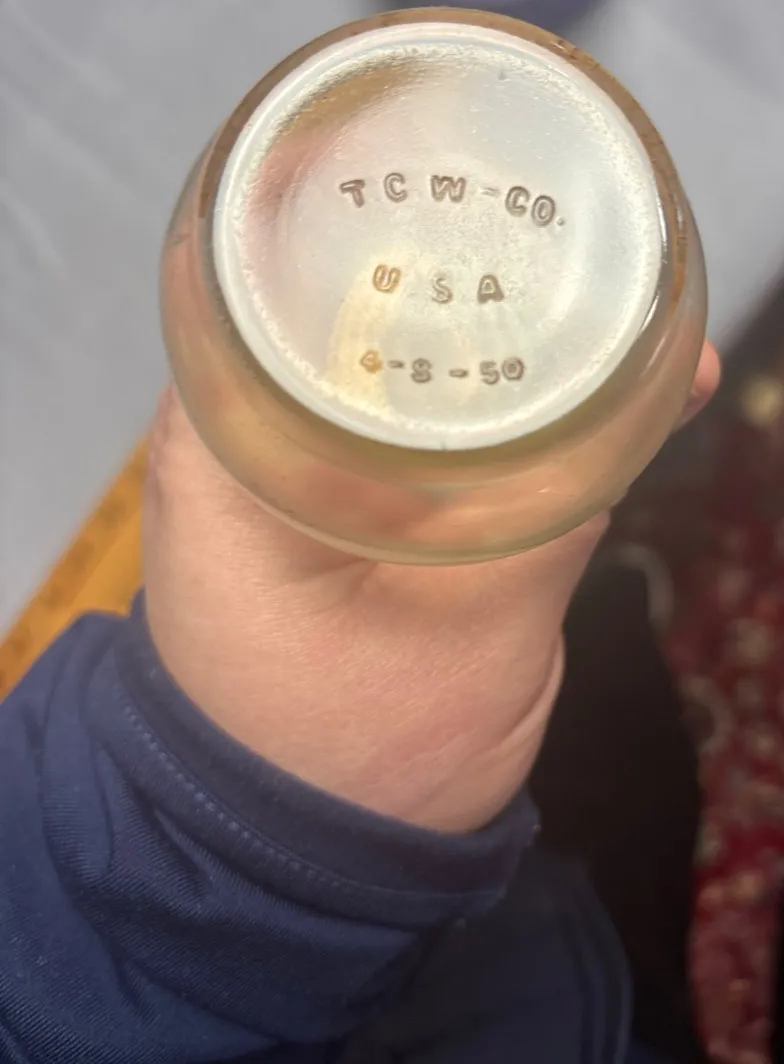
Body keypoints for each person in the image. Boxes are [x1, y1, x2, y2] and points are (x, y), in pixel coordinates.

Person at [0, 340, 721, 1064]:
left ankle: (615, 622)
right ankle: (620, 627)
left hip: (472, 961)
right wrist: (216, 859)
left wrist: (185, 871)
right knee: (630, 793)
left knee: (607, 760)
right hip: (545, 991)